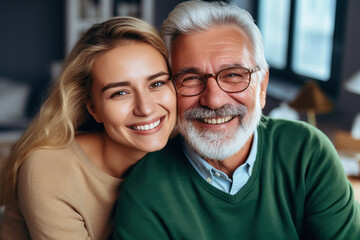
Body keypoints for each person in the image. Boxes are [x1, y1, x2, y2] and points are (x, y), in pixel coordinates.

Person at [112, 1, 360, 239]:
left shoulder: (308, 152)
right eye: (190, 78)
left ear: (261, 87)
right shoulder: (145, 192)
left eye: (233, 75)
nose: (214, 100)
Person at [0, 16, 176, 239]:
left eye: (157, 83)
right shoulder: (51, 169)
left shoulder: (183, 152)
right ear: (93, 108)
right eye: (120, 92)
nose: (146, 108)